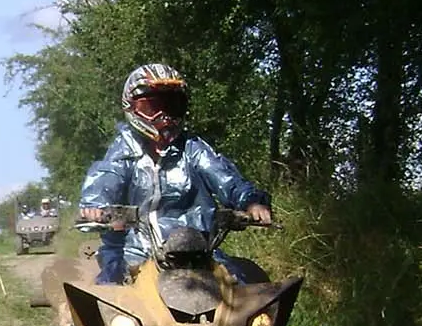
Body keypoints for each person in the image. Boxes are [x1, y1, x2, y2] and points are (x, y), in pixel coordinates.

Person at [77, 64, 274, 285]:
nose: (165, 117)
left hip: (199, 254)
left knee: (250, 294)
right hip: (134, 253)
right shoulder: (123, 151)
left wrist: (252, 202)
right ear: (131, 107)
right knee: (104, 299)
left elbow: (225, 178)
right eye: (153, 107)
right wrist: (96, 206)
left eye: (172, 106)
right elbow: (106, 178)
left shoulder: (192, 149)